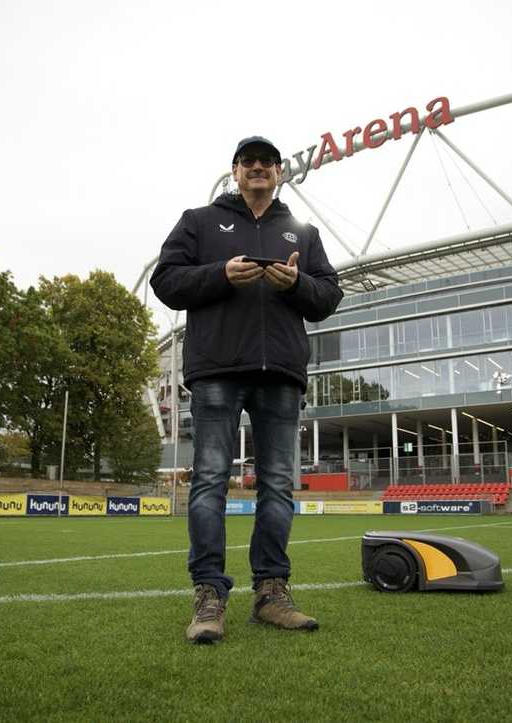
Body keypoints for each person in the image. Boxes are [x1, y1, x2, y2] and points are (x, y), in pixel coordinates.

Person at [150, 136, 343, 644]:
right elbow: (166, 281)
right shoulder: (198, 221)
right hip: (216, 369)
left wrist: (295, 286)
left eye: (266, 162)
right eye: (248, 162)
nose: (258, 168)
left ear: (279, 172)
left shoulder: (301, 230)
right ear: (235, 171)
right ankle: (209, 595)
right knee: (210, 479)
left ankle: (271, 593)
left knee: (277, 484)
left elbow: (329, 295)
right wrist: (220, 274)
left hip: (279, 372)